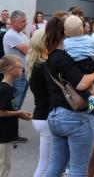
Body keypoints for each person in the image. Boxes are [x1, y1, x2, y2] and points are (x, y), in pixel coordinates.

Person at [44, 16, 94, 177]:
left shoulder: (51, 57)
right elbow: (81, 84)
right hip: (75, 117)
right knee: (78, 170)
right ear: (64, 32)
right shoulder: (65, 58)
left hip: (55, 116)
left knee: (55, 167)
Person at [0, 55, 33, 177]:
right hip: (3, 136)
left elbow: (8, 109)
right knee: (4, 168)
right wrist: (18, 113)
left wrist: (19, 115)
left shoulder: (9, 87)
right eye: (19, 67)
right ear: (11, 70)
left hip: (7, 135)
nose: (22, 70)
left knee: (5, 166)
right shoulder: (5, 89)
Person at [27, 29, 52, 177]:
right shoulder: (43, 66)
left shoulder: (34, 65)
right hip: (46, 117)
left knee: (47, 164)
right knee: (45, 165)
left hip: (41, 115)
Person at [2, 10, 30, 142]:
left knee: (17, 104)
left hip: (23, 72)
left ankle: (12, 133)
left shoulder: (21, 34)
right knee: (14, 104)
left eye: (25, 21)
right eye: (23, 21)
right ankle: (11, 134)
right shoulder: (11, 35)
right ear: (14, 22)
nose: (25, 23)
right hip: (17, 74)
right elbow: (28, 50)